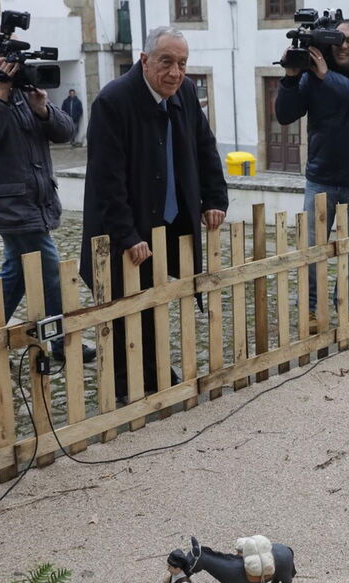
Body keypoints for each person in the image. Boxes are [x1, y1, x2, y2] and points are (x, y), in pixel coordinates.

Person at [80, 26, 227, 400]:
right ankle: (127, 387)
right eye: (166, 62)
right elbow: (106, 180)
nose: (175, 72)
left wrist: (214, 199)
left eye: (182, 63)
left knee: (156, 300)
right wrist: (127, 235)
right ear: (144, 61)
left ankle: (156, 372)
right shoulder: (113, 101)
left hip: (168, 221)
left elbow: (204, 146)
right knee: (124, 306)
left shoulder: (186, 92)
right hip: (124, 226)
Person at [0, 37, 95, 368]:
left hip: (36, 197)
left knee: (16, 271)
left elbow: (65, 131)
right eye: (6, 59)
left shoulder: (23, 92)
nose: (13, 66)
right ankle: (60, 342)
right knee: (51, 269)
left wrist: (42, 108)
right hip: (8, 202)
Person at [275, 18, 349, 332]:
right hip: (321, 177)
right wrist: (289, 78)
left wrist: (326, 76)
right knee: (313, 252)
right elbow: (285, 115)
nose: (343, 45)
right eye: (339, 39)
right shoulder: (313, 75)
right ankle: (311, 312)